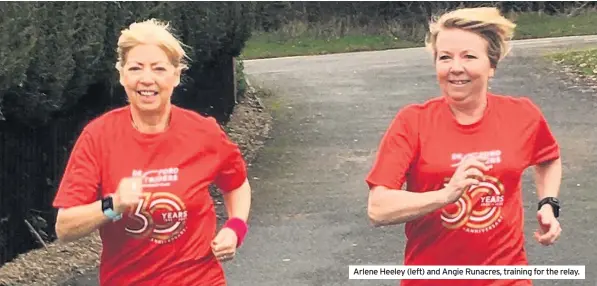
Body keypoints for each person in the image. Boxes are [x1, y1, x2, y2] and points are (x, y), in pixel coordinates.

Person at [365, 7, 562, 286]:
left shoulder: (523, 115)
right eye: (445, 57)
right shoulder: (413, 122)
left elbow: (548, 158)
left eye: (469, 56)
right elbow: (379, 208)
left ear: (491, 66)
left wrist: (548, 203)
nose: (456, 67)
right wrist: (447, 195)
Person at [52, 19, 252, 286]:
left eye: (159, 69)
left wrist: (235, 228)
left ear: (176, 75)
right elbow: (64, 227)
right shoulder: (98, 137)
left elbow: (237, 183)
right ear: (122, 75)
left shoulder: (204, 133)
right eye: (136, 68)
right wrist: (113, 205)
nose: (147, 79)